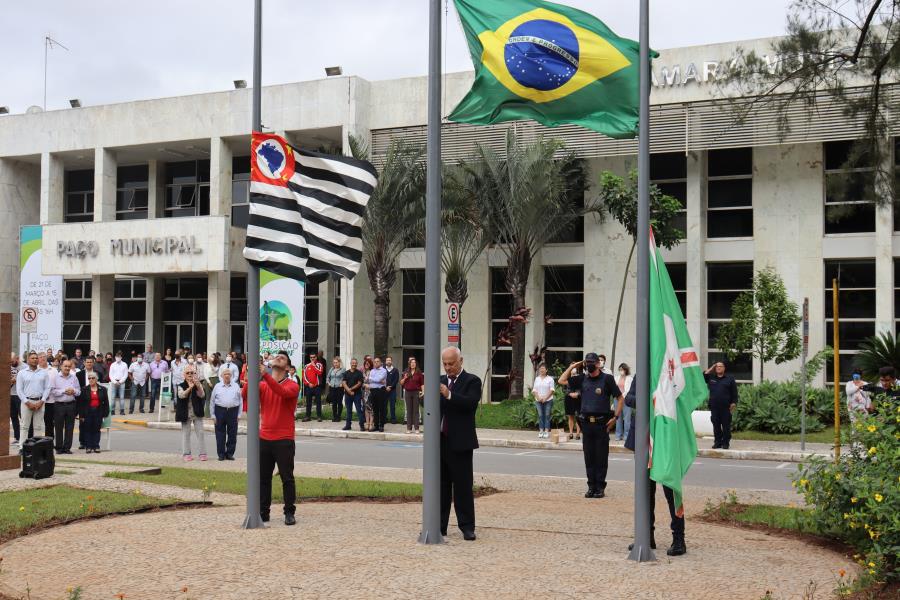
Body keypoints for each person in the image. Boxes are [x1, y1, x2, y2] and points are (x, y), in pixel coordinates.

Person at [623, 377, 687, 556]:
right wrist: (649, 399)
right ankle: (646, 535)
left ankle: (679, 538)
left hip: (665, 437)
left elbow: (681, 399)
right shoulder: (642, 373)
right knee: (645, 491)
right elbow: (629, 399)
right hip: (644, 437)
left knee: (671, 490)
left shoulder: (669, 371)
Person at [242, 351, 300, 526]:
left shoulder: (292, 385)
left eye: (282, 358)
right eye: (277, 357)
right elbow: (245, 395)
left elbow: (281, 391)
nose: (278, 358)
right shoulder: (263, 384)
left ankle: (289, 512)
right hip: (265, 436)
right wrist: (250, 377)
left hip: (284, 438)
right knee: (263, 478)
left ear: (288, 367)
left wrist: (265, 375)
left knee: (287, 477)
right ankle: (263, 512)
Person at [559, 352, 623, 499]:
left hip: (602, 424)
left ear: (598, 364)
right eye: (587, 362)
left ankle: (600, 487)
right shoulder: (582, 379)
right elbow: (562, 380)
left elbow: (620, 398)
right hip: (586, 424)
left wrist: (616, 417)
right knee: (589, 456)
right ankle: (591, 487)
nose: (589, 365)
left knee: (601, 457)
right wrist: (574, 366)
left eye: (591, 362)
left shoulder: (607, 379)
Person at [438, 346, 481, 541]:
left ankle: (467, 527)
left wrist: (449, 395)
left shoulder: (471, 381)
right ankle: (439, 526)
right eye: (445, 364)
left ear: (460, 361)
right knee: (441, 486)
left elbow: (470, 404)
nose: (448, 368)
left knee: (463, 486)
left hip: (461, 442)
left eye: (451, 364)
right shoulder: (438, 381)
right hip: (439, 441)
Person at [16, 352, 51, 450]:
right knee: (24, 426)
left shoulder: (44, 373)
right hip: (26, 402)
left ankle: (37, 448)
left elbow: (47, 388)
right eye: (32, 358)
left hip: (40, 402)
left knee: (38, 426)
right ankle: (22, 448)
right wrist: (27, 402)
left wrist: (42, 401)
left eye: (36, 358)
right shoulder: (22, 373)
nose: (35, 360)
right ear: (28, 360)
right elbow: (19, 390)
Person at [176, 364, 207, 461]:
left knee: (201, 433)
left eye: (192, 373)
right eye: (188, 373)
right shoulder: (180, 385)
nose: (190, 374)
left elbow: (202, 395)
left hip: (196, 412)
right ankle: (186, 454)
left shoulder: (198, 384)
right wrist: (189, 388)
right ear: (184, 375)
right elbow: (181, 395)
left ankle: (202, 454)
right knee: (186, 434)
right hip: (185, 413)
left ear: (195, 374)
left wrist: (197, 386)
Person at [210, 368, 242, 461]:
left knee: (232, 434)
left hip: (233, 412)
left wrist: (239, 415)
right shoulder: (217, 386)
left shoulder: (236, 386)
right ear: (222, 376)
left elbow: (240, 401)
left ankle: (230, 454)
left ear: (231, 376)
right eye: (225, 374)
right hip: (220, 411)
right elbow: (212, 401)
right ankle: (221, 454)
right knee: (220, 434)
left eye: (229, 374)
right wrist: (213, 415)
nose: (227, 375)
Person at [704, 362, 738, 449]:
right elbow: (705, 374)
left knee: (726, 426)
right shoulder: (711, 378)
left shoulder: (729, 379)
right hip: (714, 407)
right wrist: (712, 367)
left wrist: (734, 402)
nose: (718, 368)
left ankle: (726, 443)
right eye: (717, 367)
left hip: (726, 407)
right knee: (716, 426)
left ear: (724, 368)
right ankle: (717, 442)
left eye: (720, 366)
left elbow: (734, 392)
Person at [49, 359, 80, 453]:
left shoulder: (74, 377)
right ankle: (58, 448)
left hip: (71, 405)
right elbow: (52, 392)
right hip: (59, 405)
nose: (67, 368)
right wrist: (64, 391)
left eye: (69, 366)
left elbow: (79, 391)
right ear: (61, 366)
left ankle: (67, 448)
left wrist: (73, 391)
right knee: (58, 427)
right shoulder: (55, 377)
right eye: (65, 366)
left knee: (70, 427)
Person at [77, 372, 109, 453]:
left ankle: (96, 446)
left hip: (98, 411)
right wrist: (81, 416)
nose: (91, 380)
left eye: (92, 378)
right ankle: (88, 446)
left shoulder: (103, 389)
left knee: (96, 429)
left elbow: (106, 402)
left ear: (96, 379)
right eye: (89, 378)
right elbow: (81, 404)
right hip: (87, 412)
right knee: (87, 429)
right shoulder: (84, 389)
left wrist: (105, 414)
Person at [76, 356, 102, 449]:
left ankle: (93, 443)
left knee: (94, 424)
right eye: (87, 362)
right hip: (83, 401)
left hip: (95, 401)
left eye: (91, 362)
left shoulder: (98, 374)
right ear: (84, 363)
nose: (89, 363)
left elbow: (101, 387)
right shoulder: (79, 374)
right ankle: (82, 442)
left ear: (93, 363)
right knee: (82, 423)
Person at [400, 357, 424, 434]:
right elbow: (401, 383)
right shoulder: (406, 372)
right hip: (407, 392)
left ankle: (417, 428)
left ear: (416, 364)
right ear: (409, 364)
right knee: (409, 410)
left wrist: (423, 391)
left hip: (416, 392)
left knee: (416, 411)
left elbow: (422, 383)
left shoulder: (419, 372)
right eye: (411, 362)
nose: (413, 364)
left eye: (414, 362)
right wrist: (405, 378)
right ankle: (409, 428)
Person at [531, 363, 555, 439]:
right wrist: (538, 398)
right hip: (538, 400)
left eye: (543, 368)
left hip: (548, 400)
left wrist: (545, 398)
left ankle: (546, 431)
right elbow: (534, 390)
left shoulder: (550, 379)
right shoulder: (537, 379)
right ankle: (541, 431)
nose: (542, 370)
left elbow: (552, 390)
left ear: (546, 370)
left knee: (547, 415)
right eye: (540, 368)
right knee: (540, 415)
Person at [341, 358, 365, 431]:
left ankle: (362, 426)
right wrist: (348, 391)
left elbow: (359, 383)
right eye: (352, 363)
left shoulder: (359, 373)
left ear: (357, 364)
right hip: (348, 395)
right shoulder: (346, 373)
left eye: (355, 363)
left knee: (359, 410)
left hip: (357, 394)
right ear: (350, 364)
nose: (354, 364)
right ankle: (348, 425)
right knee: (348, 410)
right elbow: (344, 382)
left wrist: (350, 389)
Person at [302, 351, 324, 422]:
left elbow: (320, 372)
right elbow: (304, 376)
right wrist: (308, 384)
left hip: (317, 386)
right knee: (308, 402)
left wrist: (314, 365)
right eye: (311, 357)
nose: (312, 359)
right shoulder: (306, 366)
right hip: (309, 387)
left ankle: (319, 416)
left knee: (318, 402)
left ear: (316, 357)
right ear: (309, 358)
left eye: (314, 357)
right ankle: (308, 416)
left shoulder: (319, 364)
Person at [367, 356, 388, 432]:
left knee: (381, 409)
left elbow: (378, 379)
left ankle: (381, 425)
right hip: (373, 391)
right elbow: (370, 380)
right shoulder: (372, 370)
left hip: (380, 391)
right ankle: (376, 425)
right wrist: (376, 380)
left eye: (377, 361)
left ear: (381, 362)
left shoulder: (384, 371)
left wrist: (373, 379)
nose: (376, 363)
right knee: (375, 409)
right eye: (374, 362)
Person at [614, 363, 634, 441]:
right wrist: (617, 397)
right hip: (617, 399)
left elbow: (629, 389)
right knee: (618, 417)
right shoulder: (616, 378)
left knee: (627, 418)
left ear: (626, 370)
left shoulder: (630, 378)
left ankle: (626, 435)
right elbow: (614, 388)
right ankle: (618, 435)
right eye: (620, 369)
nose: (621, 371)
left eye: (622, 369)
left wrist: (622, 396)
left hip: (626, 399)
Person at [563, 366, 582, 441]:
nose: (573, 369)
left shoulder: (580, 378)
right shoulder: (566, 378)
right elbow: (564, 389)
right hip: (569, 398)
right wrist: (570, 393)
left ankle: (578, 433)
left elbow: (583, 388)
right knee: (571, 416)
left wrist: (577, 393)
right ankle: (570, 433)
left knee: (578, 416)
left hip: (579, 398)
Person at [326, 357, 345, 422]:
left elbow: (345, 378)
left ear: (339, 362)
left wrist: (342, 383)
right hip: (332, 388)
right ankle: (334, 416)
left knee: (339, 402)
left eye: (336, 362)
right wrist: (328, 383)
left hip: (339, 388)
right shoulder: (331, 369)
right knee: (334, 403)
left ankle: (338, 416)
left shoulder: (343, 369)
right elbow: (328, 377)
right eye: (334, 362)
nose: (335, 364)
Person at [9, 353, 21, 447]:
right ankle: (17, 437)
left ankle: (24, 438)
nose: (11, 363)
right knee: (13, 416)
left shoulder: (24, 366)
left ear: (17, 358)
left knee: (23, 417)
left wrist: (16, 379)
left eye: (12, 361)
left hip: (19, 395)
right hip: (10, 394)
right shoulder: (7, 366)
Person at [384, 356, 399, 425]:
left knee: (392, 405)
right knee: (384, 405)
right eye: (387, 360)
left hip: (392, 390)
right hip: (384, 390)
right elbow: (382, 379)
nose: (388, 361)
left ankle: (393, 419)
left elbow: (396, 380)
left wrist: (391, 387)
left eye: (389, 360)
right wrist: (386, 387)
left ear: (391, 361)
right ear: (385, 361)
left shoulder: (395, 370)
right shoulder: (383, 369)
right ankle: (384, 418)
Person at [362, 356, 374, 431]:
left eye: (368, 363)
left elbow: (375, 381)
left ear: (370, 364)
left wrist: (369, 386)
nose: (367, 364)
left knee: (371, 408)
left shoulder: (373, 372)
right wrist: (364, 385)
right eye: (365, 363)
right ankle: (367, 423)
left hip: (371, 391)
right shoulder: (363, 372)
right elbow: (360, 382)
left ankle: (371, 423)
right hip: (364, 392)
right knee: (366, 408)